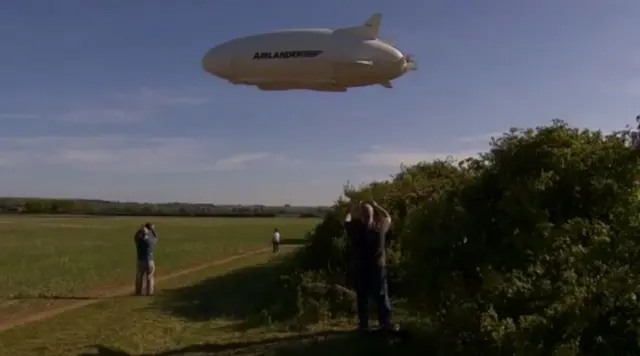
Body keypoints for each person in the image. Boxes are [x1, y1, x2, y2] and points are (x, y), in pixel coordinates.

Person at [343, 200, 397, 333]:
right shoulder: (380, 227)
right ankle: (385, 323)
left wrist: (353, 208)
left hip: (361, 266)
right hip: (378, 266)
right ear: (373, 215)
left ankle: (364, 325)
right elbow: (388, 217)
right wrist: (377, 205)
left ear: (361, 216)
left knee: (362, 296)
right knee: (381, 294)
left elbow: (346, 219)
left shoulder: (355, 229)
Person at [134, 222, 158, 296]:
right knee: (150, 277)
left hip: (140, 260)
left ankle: (138, 292)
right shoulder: (150, 240)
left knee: (139, 277)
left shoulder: (139, 240)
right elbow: (156, 238)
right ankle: (149, 292)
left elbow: (135, 237)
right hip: (149, 260)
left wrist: (140, 230)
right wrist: (153, 230)